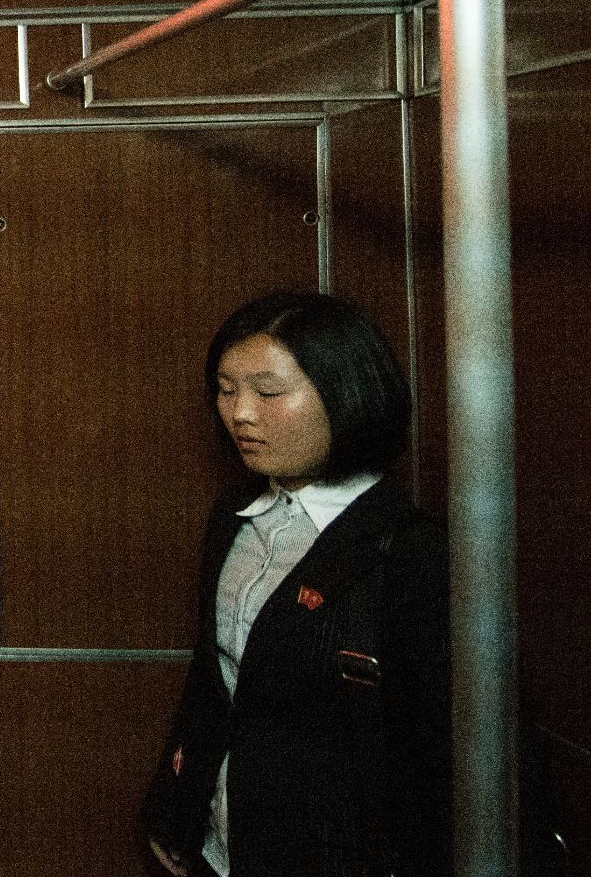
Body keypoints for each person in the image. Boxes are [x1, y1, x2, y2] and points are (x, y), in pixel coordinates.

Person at [142, 291, 451, 877]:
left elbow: (444, 757)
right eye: (227, 389)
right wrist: (174, 805)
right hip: (221, 845)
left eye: (268, 392)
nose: (240, 414)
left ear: (345, 394)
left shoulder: (413, 553)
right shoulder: (232, 520)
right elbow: (215, 684)